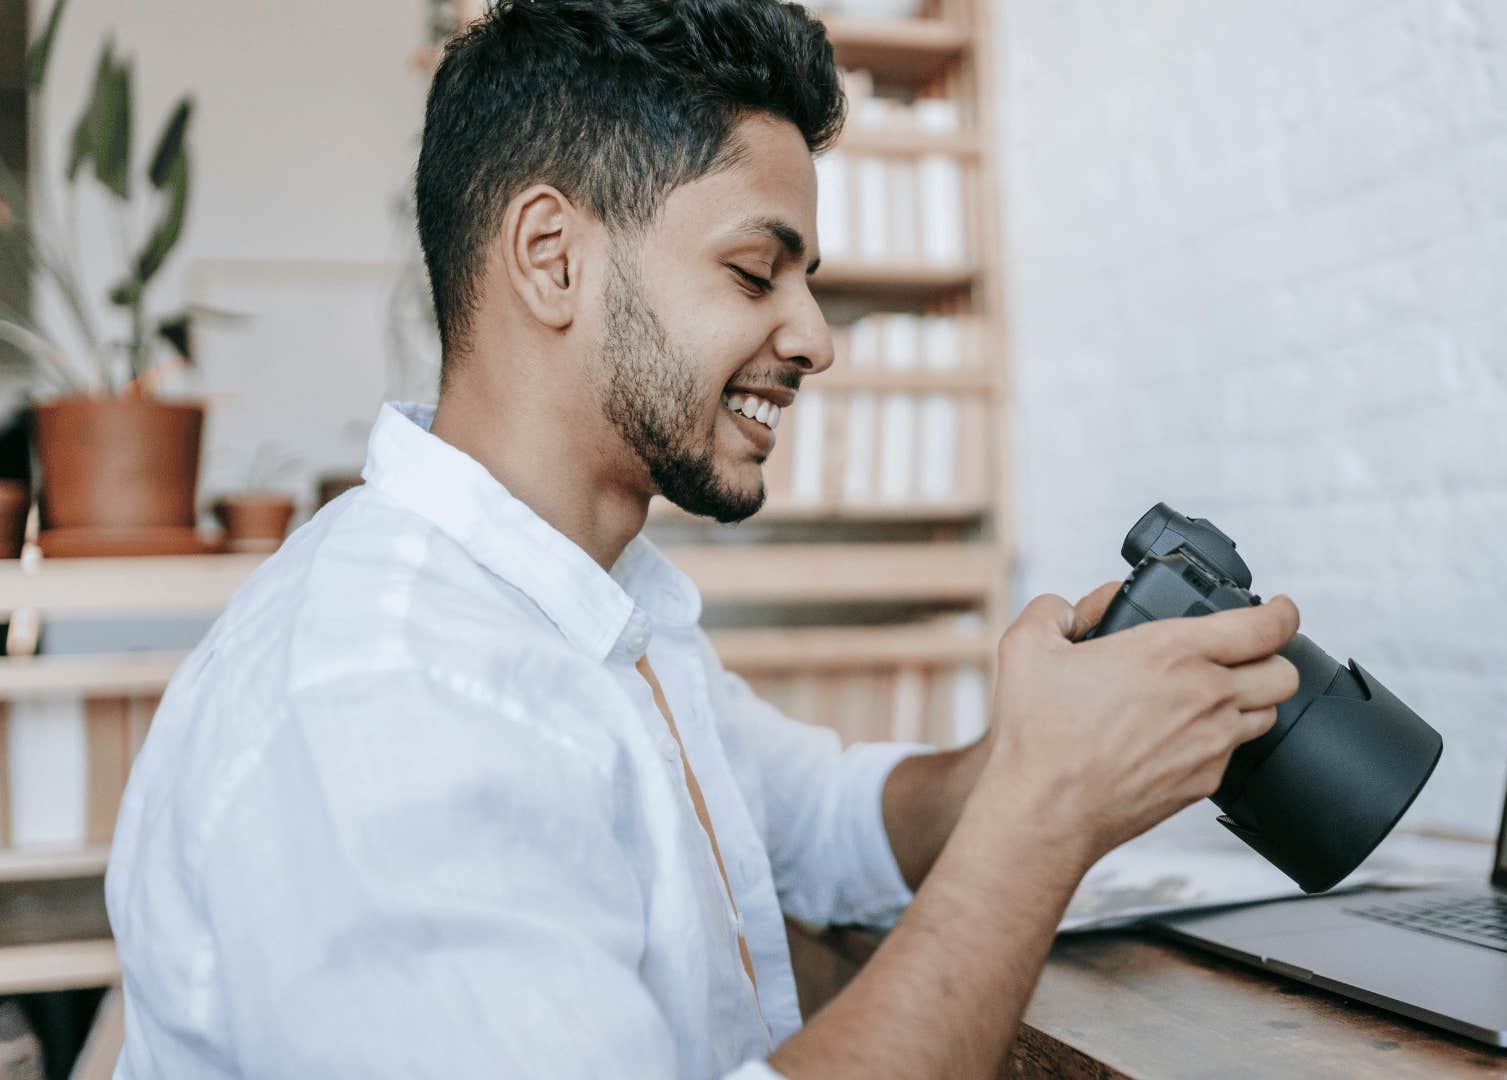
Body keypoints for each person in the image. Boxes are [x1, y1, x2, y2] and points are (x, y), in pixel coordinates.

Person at [103, 1, 1300, 1076]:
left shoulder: (601, 602)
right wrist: (1045, 812)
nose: (817, 338)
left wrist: (1054, 733)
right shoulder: (387, 691)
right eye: (753, 272)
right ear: (552, 257)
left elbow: (820, 819)